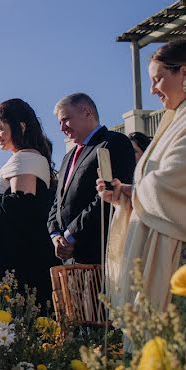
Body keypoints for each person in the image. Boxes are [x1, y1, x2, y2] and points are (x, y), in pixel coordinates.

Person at [100, 39, 186, 311]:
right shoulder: (179, 118)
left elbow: (177, 183)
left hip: (183, 259)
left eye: (158, 79)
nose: (152, 90)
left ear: (184, 73)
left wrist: (137, 191)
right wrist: (128, 194)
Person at [0, 99, 56, 307]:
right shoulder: (22, 158)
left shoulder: (26, 158)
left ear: (21, 127)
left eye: (0, 129)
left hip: (18, 264)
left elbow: (21, 208)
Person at [48, 93, 136, 265]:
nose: (62, 128)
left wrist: (71, 235)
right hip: (70, 259)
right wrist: (55, 235)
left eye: (65, 119)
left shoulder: (113, 143)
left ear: (87, 112)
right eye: (59, 122)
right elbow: (58, 201)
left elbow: (109, 195)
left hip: (100, 255)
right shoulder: (68, 157)